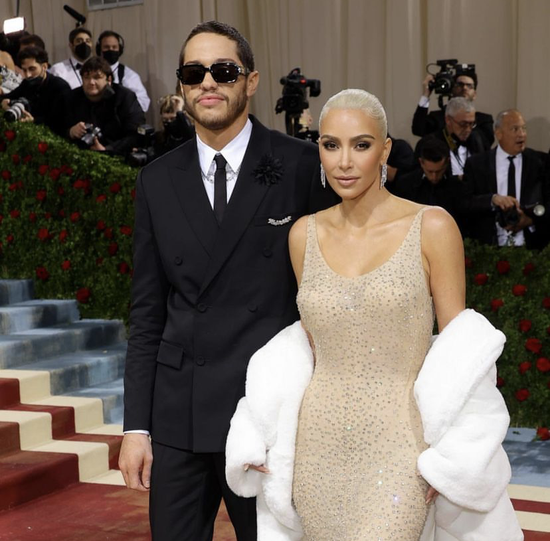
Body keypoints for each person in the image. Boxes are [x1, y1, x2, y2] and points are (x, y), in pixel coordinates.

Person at [227, 89, 522, 541]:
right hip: (317, 447)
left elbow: (460, 355)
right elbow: (305, 348)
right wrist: (263, 425)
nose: (344, 162)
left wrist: (454, 458)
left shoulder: (432, 226)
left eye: (361, 145)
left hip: (402, 445)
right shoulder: (303, 235)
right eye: (331, 145)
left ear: (384, 150)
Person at [118, 20, 336, 541]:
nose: (208, 83)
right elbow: (147, 312)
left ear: (251, 81)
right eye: (194, 73)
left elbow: (329, 300)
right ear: (182, 85)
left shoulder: (301, 165)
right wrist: (136, 426)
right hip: (179, 416)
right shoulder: (156, 180)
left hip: (269, 414)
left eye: (224, 70)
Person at [463, 109, 550, 248]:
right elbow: (465, 202)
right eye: (515, 129)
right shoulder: (477, 164)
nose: (521, 134)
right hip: (488, 249)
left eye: (524, 128)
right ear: (498, 133)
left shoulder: (540, 162)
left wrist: (530, 220)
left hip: (532, 249)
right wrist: (492, 199)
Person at [64, 56, 144, 155]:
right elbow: (57, 128)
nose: (91, 82)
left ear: (109, 79)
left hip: (118, 156)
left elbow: (136, 134)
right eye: (86, 77)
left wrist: (107, 149)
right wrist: (71, 132)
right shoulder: (72, 97)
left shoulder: (124, 97)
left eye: (97, 77)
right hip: (80, 155)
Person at [391, 137, 469, 234]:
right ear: (421, 163)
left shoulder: (457, 187)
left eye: (439, 171)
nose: (434, 177)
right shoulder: (406, 184)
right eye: (430, 171)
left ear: (447, 163)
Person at [412, 70, 494, 149]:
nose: (464, 88)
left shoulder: (484, 120)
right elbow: (418, 130)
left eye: (469, 86)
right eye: (460, 84)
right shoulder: (437, 117)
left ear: (475, 94)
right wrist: (426, 94)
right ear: (452, 90)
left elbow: (486, 143)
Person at [1, 46, 70, 135]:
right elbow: (10, 96)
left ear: (44, 67)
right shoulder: (27, 83)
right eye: (24, 70)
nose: (28, 75)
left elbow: (60, 120)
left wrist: (35, 120)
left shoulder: (60, 87)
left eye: (32, 69)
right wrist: (4, 102)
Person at [415, 97, 485, 179]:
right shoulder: (429, 143)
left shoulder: (476, 138)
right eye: (463, 124)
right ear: (448, 120)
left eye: (471, 124)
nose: (468, 129)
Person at [96, 30, 151, 112]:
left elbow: (144, 103)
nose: (111, 49)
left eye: (114, 47)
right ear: (99, 49)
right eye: (106, 47)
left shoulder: (130, 76)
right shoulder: (90, 72)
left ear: (120, 50)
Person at [152, 93, 194, 158]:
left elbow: (191, 139)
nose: (169, 122)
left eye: (172, 119)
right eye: (165, 119)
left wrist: (180, 112)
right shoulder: (161, 138)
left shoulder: (194, 134)